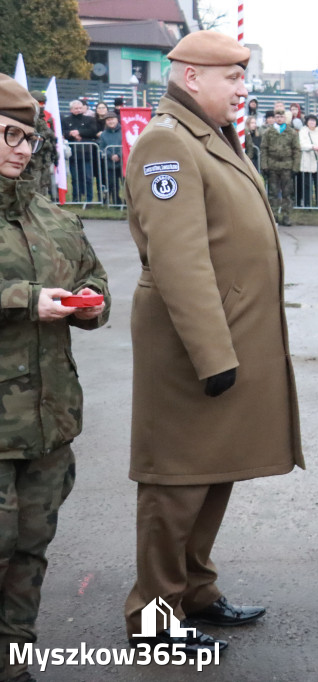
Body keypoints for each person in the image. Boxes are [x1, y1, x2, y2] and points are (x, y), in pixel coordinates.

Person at [122, 31, 304, 654]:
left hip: (225, 346)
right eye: (233, 77)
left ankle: (193, 591)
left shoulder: (206, 136)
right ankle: (153, 619)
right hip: (193, 354)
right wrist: (214, 356)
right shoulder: (166, 145)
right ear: (192, 77)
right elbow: (180, 262)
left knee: (213, 473)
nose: (243, 87)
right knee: (175, 485)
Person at [0, 73, 109, 682]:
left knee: (30, 549)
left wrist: (88, 301)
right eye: (10, 134)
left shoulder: (51, 216)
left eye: (29, 138)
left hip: (48, 422)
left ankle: (14, 663)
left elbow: (94, 277)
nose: (22, 147)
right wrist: (25, 298)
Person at [261, 108, 300, 226]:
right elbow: (264, 149)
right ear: (274, 118)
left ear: (285, 118)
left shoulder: (291, 132)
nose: (279, 119)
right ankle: (273, 216)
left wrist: (295, 167)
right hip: (273, 165)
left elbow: (296, 150)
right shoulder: (268, 132)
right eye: (277, 117)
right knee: (273, 193)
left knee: (287, 193)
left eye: (281, 117)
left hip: (287, 166)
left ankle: (286, 216)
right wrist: (264, 165)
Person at [23, 90, 56, 198]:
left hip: (43, 160)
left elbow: (48, 138)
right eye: (39, 103)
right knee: (34, 187)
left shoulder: (41, 120)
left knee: (43, 185)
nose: (42, 106)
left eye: (43, 103)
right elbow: (33, 137)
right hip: (33, 160)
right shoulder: (28, 119)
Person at [62, 100, 97, 202]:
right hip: (73, 154)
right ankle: (76, 198)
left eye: (80, 108)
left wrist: (79, 132)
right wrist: (71, 134)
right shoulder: (66, 120)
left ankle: (89, 199)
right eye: (76, 108)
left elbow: (93, 131)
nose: (78, 110)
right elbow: (63, 132)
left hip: (87, 154)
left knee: (88, 178)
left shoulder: (90, 119)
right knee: (75, 179)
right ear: (71, 109)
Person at [298, 113, 318, 207]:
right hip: (307, 161)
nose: (312, 122)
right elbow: (302, 144)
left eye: (314, 120)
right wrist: (312, 147)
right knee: (307, 185)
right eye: (310, 120)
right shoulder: (303, 131)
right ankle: (307, 204)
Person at [97, 114, 123, 204]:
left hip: (123, 163)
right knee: (113, 184)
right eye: (108, 120)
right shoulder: (103, 134)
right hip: (110, 163)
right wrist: (110, 155)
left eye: (112, 119)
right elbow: (102, 147)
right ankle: (116, 201)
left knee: (127, 184)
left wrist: (119, 155)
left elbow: (126, 144)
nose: (110, 121)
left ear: (117, 120)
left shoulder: (124, 131)